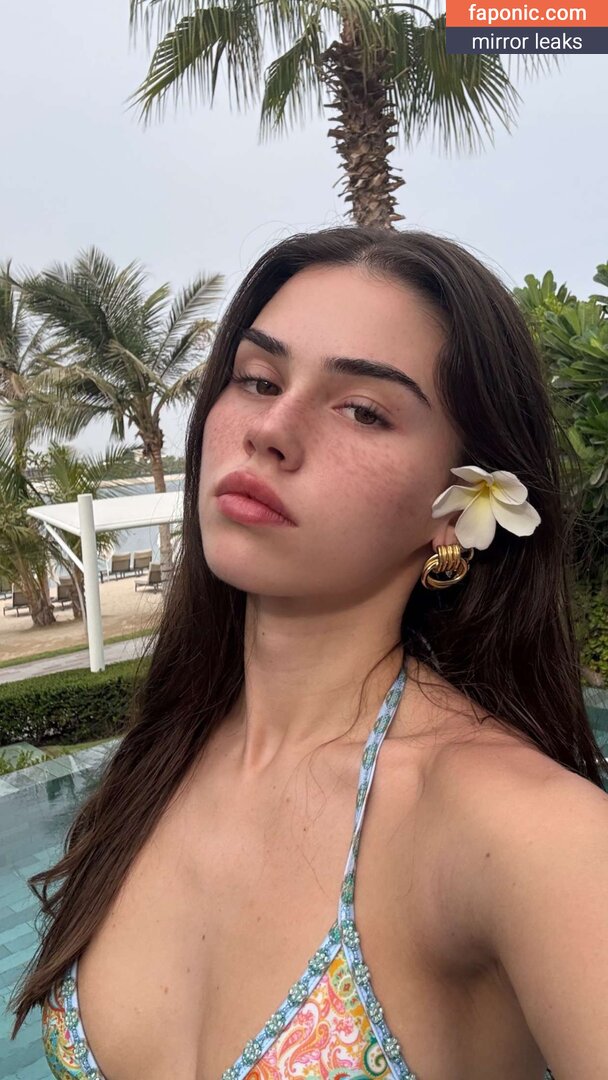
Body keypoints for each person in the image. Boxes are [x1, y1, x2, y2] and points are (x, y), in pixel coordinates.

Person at [9, 226, 607, 1080]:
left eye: (363, 410)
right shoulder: (154, 765)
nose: (271, 429)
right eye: (258, 379)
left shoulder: (525, 832)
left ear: (456, 510)